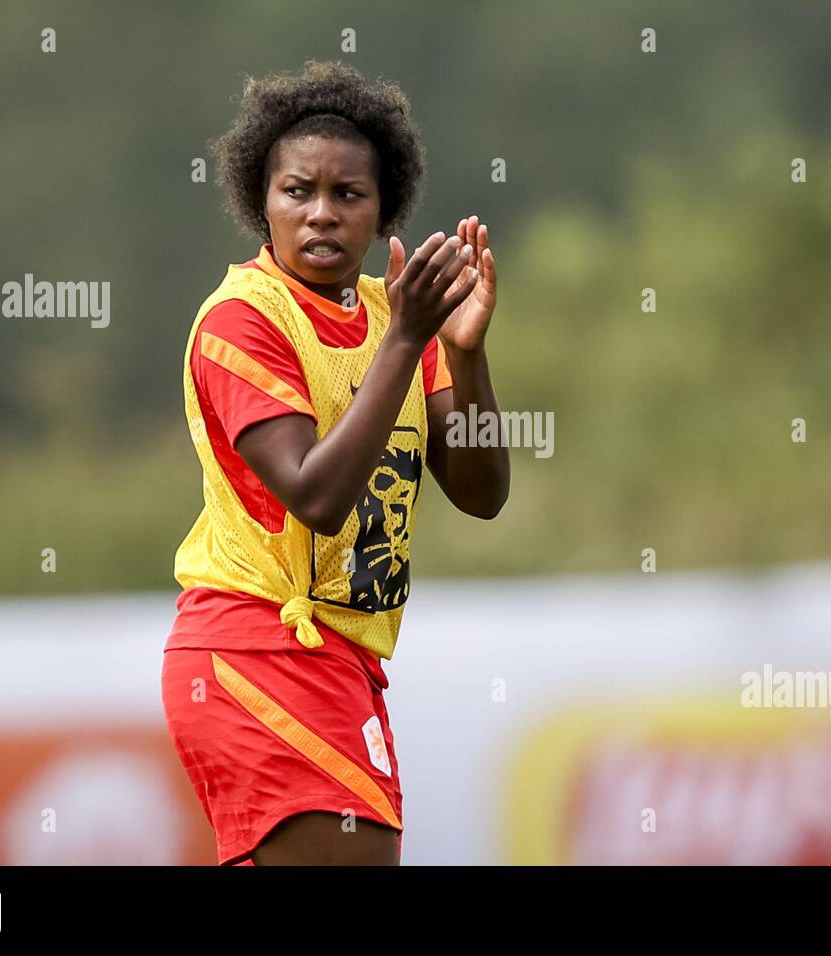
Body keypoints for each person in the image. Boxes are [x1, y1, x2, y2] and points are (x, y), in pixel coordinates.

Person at [160, 60, 509, 866]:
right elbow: (314, 495)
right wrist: (407, 341)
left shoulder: (399, 319)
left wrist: (467, 353)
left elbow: (482, 491)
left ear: (384, 207)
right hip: (256, 650)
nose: (321, 214)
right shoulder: (243, 320)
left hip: (341, 659)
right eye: (297, 192)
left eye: (347, 195)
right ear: (262, 201)